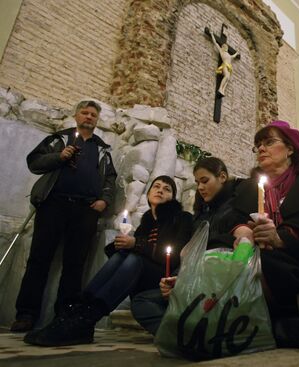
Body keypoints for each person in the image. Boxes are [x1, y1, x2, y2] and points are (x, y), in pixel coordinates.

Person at [24, 176, 193, 346]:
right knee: (122, 256)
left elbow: (173, 256)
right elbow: (137, 251)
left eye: (167, 189)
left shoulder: (182, 218)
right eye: (156, 186)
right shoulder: (146, 222)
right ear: (148, 193)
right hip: (142, 275)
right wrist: (122, 246)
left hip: (165, 278)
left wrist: (136, 244)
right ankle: (77, 312)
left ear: (173, 197)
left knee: (135, 260)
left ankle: (86, 318)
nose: (160, 190)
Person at [11, 100, 117, 332]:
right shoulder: (58, 139)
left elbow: (110, 178)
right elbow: (34, 162)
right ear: (76, 116)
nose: (89, 117)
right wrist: (58, 157)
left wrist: (104, 200)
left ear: (97, 120)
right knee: (39, 260)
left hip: (85, 211)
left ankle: (65, 317)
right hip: (53, 205)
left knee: (75, 265)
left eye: (93, 115)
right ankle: (26, 315)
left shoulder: (102, 148)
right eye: (84, 113)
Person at [231, 120, 299, 319]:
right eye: (259, 145)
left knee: (259, 261)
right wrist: (243, 231)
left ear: (290, 149)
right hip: (255, 258)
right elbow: (230, 220)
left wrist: (279, 238)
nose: (261, 148)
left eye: (269, 142)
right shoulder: (247, 188)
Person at [131, 158, 250, 335]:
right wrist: (175, 280)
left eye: (205, 181)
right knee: (141, 302)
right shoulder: (201, 214)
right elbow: (188, 254)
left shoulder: (233, 208)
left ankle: (185, 334)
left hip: (217, 280)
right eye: (197, 183)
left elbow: (242, 242)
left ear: (222, 177)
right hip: (191, 278)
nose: (200, 187)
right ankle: (185, 333)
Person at [210, 31, 239, 96]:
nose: (225, 48)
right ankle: (220, 89)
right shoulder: (221, 51)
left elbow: (233, 56)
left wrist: (237, 53)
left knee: (228, 78)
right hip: (225, 65)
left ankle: (223, 90)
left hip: (229, 67)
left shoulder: (228, 54)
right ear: (222, 47)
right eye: (224, 46)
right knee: (226, 76)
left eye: (226, 47)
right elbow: (215, 43)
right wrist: (212, 33)